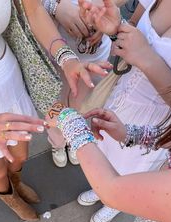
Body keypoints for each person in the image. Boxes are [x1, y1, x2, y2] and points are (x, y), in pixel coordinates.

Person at [0, 0, 109, 221]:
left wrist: (66, 58)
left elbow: (35, 10)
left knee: (20, 156)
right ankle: (9, 197)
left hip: (8, 81)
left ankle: (17, 182)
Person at [76, 0, 171, 222]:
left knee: (130, 167)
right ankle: (102, 187)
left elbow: (143, 51)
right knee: (105, 147)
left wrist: (146, 58)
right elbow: (133, 29)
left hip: (157, 123)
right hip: (122, 96)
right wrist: (115, 28)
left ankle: (117, 202)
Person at [42, 0, 127, 167]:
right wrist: (54, 6)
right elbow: (28, 6)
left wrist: (101, 12)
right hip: (53, 46)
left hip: (93, 50)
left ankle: (74, 136)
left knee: (83, 102)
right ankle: (57, 141)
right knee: (53, 101)